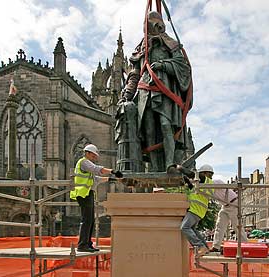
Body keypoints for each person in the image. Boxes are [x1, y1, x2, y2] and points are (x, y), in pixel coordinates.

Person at [118, 11, 192, 172]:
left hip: (164, 90)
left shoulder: (170, 43)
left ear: (158, 25)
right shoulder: (142, 47)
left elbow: (182, 66)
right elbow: (134, 73)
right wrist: (127, 94)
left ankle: (169, 164)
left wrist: (164, 65)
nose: (147, 28)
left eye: (150, 24)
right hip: (145, 91)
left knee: (166, 125)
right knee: (149, 130)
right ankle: (155, 167)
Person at [70, 144, 120, 253]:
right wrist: (112, 171)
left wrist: (111, 179)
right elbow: (96, 169)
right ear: (87, 153)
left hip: (87, 193)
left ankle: (87, 243)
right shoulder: (83, 162)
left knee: (90, 220)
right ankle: (82, 245)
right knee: (87, 219)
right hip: (83, 194)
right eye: (93, 156)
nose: (94, 158)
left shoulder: (87, 165)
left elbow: (96, 179)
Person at [181, 164, 214, 258]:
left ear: (205, 173)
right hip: (199, 211)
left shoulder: (206, 180)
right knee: (193, 229)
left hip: (195, 210)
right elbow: (194, 190)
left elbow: (190, 174)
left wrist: (178, 167)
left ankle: (200, 246)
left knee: (185, 227)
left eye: (200, 174)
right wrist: (187, 182)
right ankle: (205, 248)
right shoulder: (205, 184)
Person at [209, 177, 244, 253]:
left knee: (237, 226)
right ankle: (216, 246)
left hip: (233, 203)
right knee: (219, 225)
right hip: (225, 205)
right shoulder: (209, 189)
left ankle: (245, 245)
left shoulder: (216, 182)